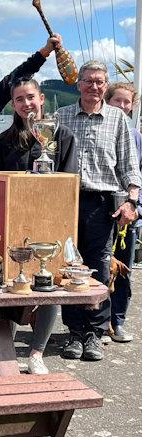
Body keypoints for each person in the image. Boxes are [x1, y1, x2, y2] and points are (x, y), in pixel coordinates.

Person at [0, 77, 78, 374]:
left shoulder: (63, 136)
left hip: (51, 223)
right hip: (14, 225)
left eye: (30, 97)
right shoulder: (3, 142)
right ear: (13, 105)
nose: (26, 104)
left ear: (41, 98)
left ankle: (37, 352)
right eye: (19, 99)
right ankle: (7, 351)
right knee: (12, 284)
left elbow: (69, 184)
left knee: (49, 285)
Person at [57, 60, 141, 362]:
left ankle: (94, 331)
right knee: (69, 267)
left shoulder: (118, 119)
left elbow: (130, 166)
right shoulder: (61, 116)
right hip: (65, 200)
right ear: (78, 83)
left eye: (100, 82)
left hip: (102, 202)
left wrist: (132, 201)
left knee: (100, 268)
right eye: (89, 80)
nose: (94, 86)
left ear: (105, 86)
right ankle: (73, 332)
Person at [104, 82, 142, 343]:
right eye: (117, 101)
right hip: (105, 210)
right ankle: (98, 322)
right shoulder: (104, 130)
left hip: (130, 215)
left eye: (127, 102)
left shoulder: (137, 137)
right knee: (99, 268)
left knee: (123, 271)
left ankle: (117, 321)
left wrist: (137, 209)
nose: (122, 106)